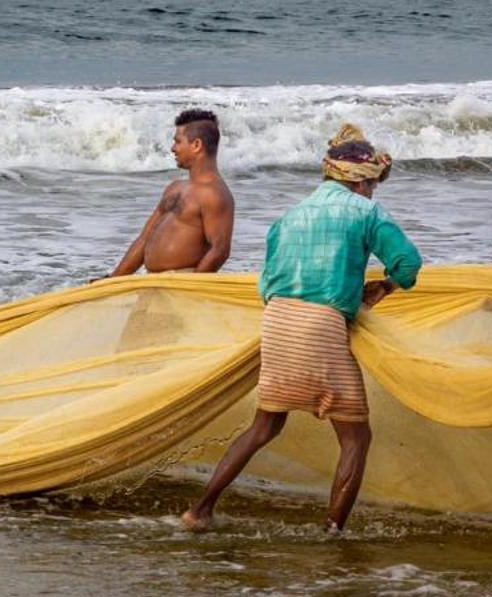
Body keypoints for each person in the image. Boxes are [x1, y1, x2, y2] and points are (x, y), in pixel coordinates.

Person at [183, 124, 422, 532]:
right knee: (355, 439)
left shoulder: (290, 216)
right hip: (321, 326)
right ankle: (333, 532)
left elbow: (266, 284)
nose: (373, 193)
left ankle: (199, 510)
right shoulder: (366, 212)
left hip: (277, 322)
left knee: (264, 426)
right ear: (361, 183)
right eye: (372, 185)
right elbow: (409, 265)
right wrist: (383, 287)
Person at [105, 109, 235, 277]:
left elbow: (220, 250)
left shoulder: (214, 194)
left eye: (178, 141)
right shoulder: (175, 188)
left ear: (196, 145)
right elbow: (144, 239)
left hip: (182, 283)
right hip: (154, 282)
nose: (173, 148)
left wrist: (190, 287)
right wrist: (113, 279)